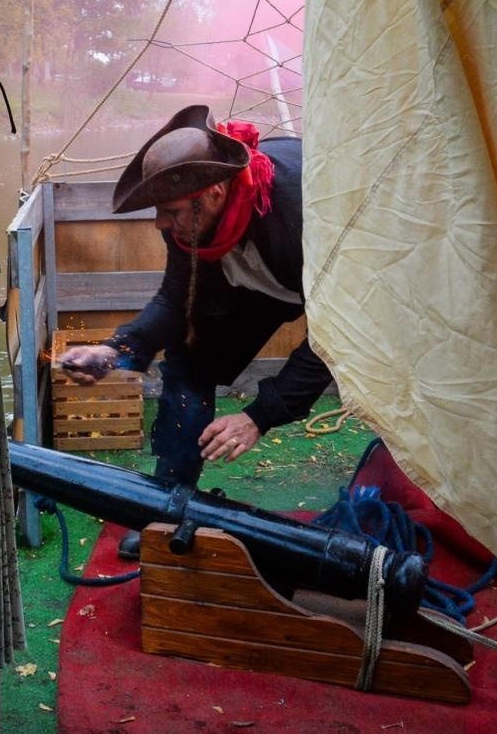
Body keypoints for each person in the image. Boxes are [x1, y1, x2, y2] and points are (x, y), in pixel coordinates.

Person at [59, 105, 334, 560]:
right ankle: (168, 507)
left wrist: (259, 417)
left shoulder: (301, 213)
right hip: (257, 284)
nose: (159, 225)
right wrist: (116, 350)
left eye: (169, 213)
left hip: (335, 279)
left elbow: (336, 333)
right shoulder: (185, 225)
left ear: (213, 195)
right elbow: (174, 301)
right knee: (187, 363)